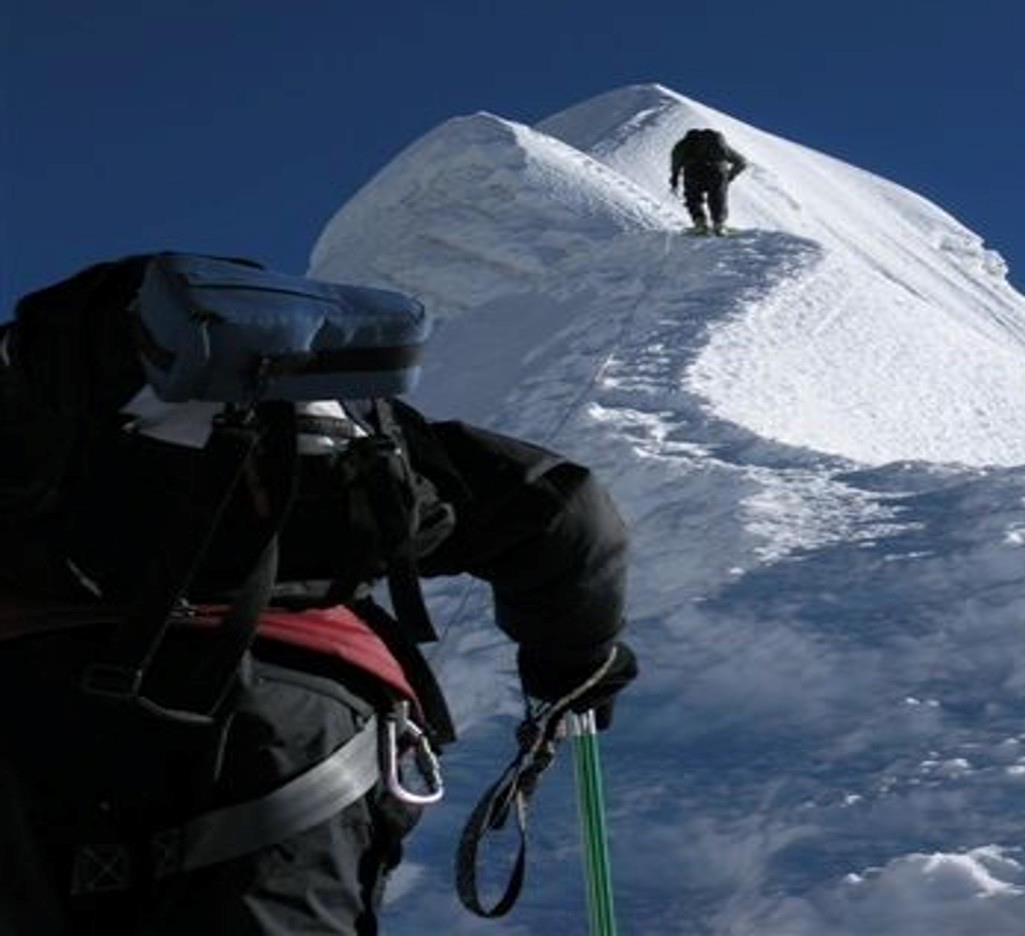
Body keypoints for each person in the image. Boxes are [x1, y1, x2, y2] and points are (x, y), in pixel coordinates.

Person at [0, 257, 637, 935]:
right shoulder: (346, 441)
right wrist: (572, 670)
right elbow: (564, 513)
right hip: (293, 733)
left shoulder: (33, 420)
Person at [669, 127, 748, 235]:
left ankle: (700, 224)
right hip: (717, 172)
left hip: (693, 172)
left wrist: (674, 179)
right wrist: (728, 177)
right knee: (717, 197)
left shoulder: (683, 145)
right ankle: (719, 225)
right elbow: (742, 162)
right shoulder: (718, 143)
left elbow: (676, 164)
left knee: (693, 197)